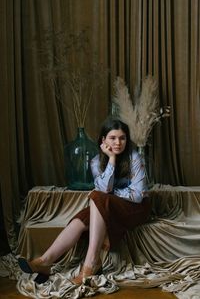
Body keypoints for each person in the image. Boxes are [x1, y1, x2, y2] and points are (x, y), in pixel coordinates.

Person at [18, 118, 151, 285]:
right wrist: (111, 159)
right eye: (113, 138)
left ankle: (91, 263)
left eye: (122, 138)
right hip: (111, 205)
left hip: (136, 209)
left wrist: (111, 195)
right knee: (81, 219)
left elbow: (137, 195)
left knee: (97, 196)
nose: (118, 142)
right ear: (103, 140)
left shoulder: (134, 158)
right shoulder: (96, 162)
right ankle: (46, 260)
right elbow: (104, 190)